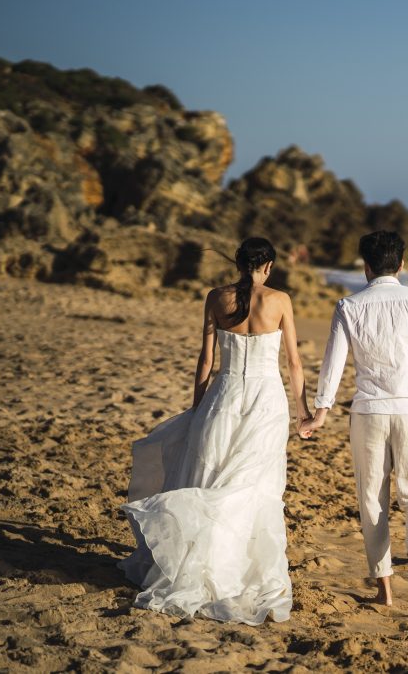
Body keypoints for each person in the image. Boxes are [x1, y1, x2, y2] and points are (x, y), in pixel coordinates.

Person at [119, 237, 311, 625]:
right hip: (266, 399)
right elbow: (293, 362)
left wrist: (196, 407)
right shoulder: (280, 300)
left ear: (239, 264)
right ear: (269, 266)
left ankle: (205, 564)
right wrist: (303, 410)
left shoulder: (215, 297)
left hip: (224, 395)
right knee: (254, 482)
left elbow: (206, 359)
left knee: (210, 477)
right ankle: (241, 570)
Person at [298, 230, 408, 622]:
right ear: (401, 264)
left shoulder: (349, 305)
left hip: (367, 412)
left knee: (372, 499)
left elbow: (333, 365)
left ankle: (384, 588)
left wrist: (320, 412)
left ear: (365, 266)